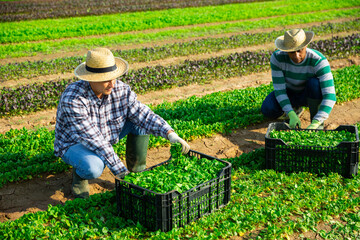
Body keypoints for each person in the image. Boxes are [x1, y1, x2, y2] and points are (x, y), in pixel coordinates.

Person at [54, 48, 190, 198]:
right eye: (107, 79)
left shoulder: (119, 89)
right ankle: (79, 177)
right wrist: (122, 173)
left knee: (139, 121)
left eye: (114, 77)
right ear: (91, 78)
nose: (112, 84)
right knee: (94, 167)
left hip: (105, 135)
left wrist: (170, 134)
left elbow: (142, 114)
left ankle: (137, 170)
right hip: (74, 143)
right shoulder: (73, 100)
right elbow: (96, 141)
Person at [261, 28, 336, 129]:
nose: (296, 56)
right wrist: (290, 113)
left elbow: (330, 96)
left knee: (314, 84)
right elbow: (280, 90)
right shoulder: (277, 58)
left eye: (299, 50)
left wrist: (317, 121)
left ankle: (317, 123)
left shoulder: (318, 61)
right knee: (268, 108)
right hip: (289, 93)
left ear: (306, 46)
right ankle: (294, 110)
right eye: (291, 52)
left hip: (308, 95)